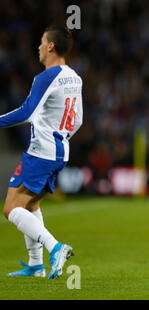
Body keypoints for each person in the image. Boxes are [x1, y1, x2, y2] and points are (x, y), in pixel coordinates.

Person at [1, 25, 83, 279]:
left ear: (50, 46)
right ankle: (36, 265)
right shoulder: (74, 76)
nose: (38, 47)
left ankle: (55, 247)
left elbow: (27, 112)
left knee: (10, 208)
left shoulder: (46, 77)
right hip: (59, 151)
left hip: (41, 152)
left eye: (41, 42)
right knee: (31, 203)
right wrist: (61, 135)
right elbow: (78, 119)